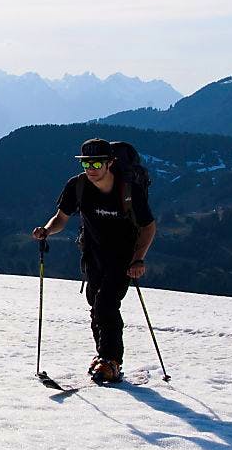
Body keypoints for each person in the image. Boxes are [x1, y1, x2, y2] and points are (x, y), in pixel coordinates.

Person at [32, 138, 156, 383]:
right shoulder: (77, 186)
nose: (91, 168)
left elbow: (148, 227)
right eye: (86, 163)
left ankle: (111, 361)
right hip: (93, 254)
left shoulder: (129, 190)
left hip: (124, 257)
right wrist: (46, 230)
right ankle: (103, 357)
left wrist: (138, 259)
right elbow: (61, 217)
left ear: (110, 163)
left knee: (106, 304)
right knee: (95, 305)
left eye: (97, 163)